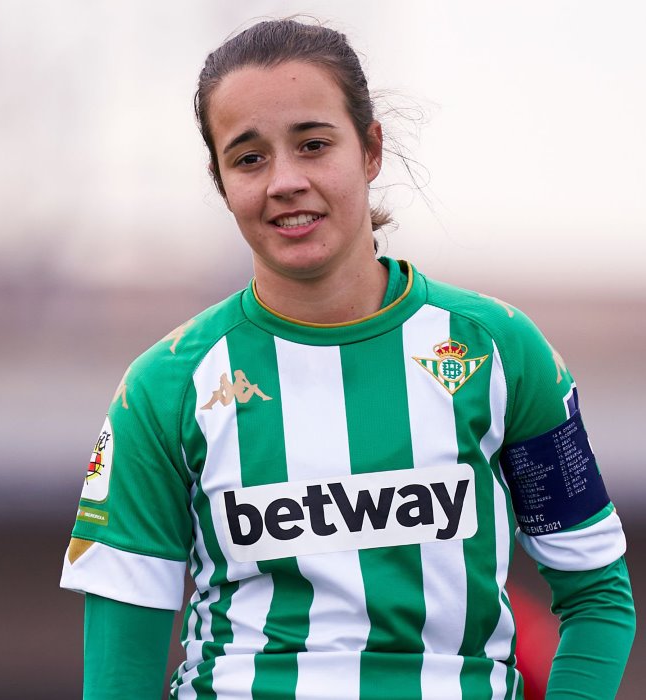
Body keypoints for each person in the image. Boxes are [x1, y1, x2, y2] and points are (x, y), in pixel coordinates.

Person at [61, 18, 635, 700]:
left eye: (313, 144)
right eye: (249, 158)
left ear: (370, 150)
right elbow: (119, 673)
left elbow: (598, 598)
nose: (285, 181)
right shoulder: (164, 387)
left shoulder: (500, 350)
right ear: (221, 181)